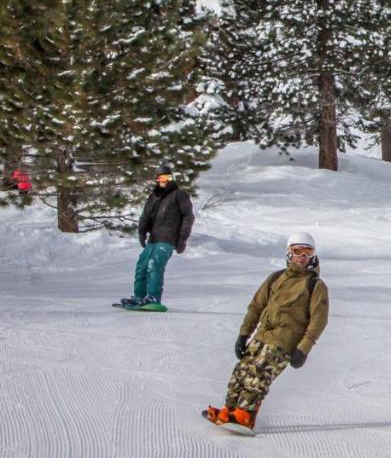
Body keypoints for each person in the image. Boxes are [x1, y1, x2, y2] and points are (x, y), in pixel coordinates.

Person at [205, 232, 330, 434]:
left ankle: (245, 415)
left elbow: (319, 320)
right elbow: (256, 306)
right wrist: (244, 334)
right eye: (298, 251)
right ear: (289, 253)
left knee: (258, 375)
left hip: (284, 342)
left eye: (307, 252)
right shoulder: (276, 278)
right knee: (241, 372)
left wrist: (303, 348)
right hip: (262, 335)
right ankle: (229, 409)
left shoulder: (315, 285)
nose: (302, 256)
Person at [121, 163, 193, 310]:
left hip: (168, 238)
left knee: (155, 265)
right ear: (157, 180)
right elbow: (145, 216)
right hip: (153, 238)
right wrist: (142, 232)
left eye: (168, 177)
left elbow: (188, 216)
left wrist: (182, 239)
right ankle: (140, 297)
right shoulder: (153, 197)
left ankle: (153, 297)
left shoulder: (179, 195)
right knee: (142, 265)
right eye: (162, 177)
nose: (165, 180)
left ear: (172, 178)